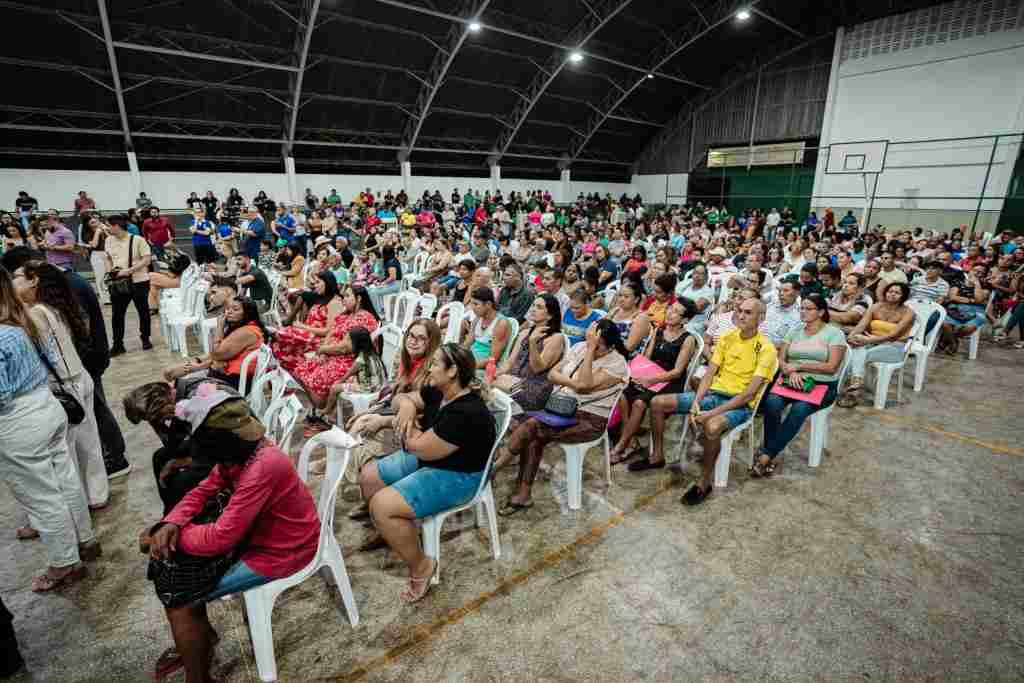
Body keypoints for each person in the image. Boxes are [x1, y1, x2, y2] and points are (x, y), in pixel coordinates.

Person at [143, 391, 319, 683]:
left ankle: (197, 673)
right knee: (169, 566)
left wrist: (169, 537)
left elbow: (221, 537)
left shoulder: (260, 463)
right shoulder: (235, 455)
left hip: (285, 550)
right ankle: (199, 640)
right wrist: (170, 522)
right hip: (258, 535)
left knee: (179, 596)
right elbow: (203, 490)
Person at [358, 343, 497, 602]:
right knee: (369, 476)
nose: (428, 368)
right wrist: (408, 408)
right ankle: (392, 531)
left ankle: (421, 565)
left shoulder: (466, 412)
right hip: (434, 457)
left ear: (453, 370)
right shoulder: (438, 390)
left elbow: (419, 448)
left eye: (434, 363)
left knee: (381, 505)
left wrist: (392, 422)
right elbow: (400, 398)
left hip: (459, 475)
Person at [0, 265, 100, 593]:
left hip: (19, 419)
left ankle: (64, 562)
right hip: (45, 405)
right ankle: (84, 540)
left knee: (42, 495)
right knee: (65, 480)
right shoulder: (23, 321)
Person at [648, 297, 777, 505]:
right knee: (657, 403)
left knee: (712, 425)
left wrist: (710, 413)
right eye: (740, 310)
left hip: (740, 404)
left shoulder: (766, 349)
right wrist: (697, 403)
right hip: (712, 395)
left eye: (748, 312)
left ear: (761, 318)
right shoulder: (727, 337)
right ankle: (657, 456)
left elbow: (748, 395)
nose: (741, 315)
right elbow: (709, 375)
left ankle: (704, 482)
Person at [498, 318, 628, 515]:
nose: (589, 337)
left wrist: (590, 352)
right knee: (532, 430)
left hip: (590, 419)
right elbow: (552, 375)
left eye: (594, 336)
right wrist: (573, 383)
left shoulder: (617, 363)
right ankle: (519, 490)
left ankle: (496, 470)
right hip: (560, 409)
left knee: (533, 428)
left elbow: (584, 385)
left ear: (605, 342)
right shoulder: (579, 348)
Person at [13, 259, 109, 512]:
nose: (14, 282)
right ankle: (97, 494)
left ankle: (74, 503)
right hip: (79, 378)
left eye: (18, 277)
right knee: (89, 442)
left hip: (63, 386)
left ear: (34, 280)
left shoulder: (35, 313)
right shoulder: (54, 307)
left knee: (66, 452)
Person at [751, 294, 847, 477]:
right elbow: (781, 358)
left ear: (820, 312)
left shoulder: (834, 333)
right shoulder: (795, 330)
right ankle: (771, 452)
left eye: (808, 308)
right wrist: (791, 371)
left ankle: (767, 455)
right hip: (791, 380)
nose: (803, 312)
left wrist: (800, 366)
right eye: (801, 308)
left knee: (799, 408)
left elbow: (832, 366)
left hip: (822, 384)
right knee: (772, 403)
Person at [613, 300, 698, 469]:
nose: (670, 313)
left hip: (669, 381)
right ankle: (630, 439)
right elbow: (647, 357)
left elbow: (677, 372)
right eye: (670, 309)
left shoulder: (688, 339)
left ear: (685, 320)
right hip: (650, 374)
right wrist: (637, 373)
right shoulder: (659, 330)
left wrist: (650, 380)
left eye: (676, 312)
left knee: (639, 403)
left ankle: (620, 446)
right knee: (622, 393)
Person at [291, 285, 380, 408]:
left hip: (350, 360)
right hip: (332, 354)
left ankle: (322, 408)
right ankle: (321, 407)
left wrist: (323, 350)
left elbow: (346, 347)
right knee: (300, 371)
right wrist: (323, 352)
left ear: (359, 298)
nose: (343, 299)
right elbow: (331, 333)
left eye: (347, 296)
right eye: (343, 296)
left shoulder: (364, 318)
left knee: (315, 378)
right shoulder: (346, 315)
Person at [836, 282, 916, 408]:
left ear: (903, 296)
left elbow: (894, 335)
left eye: (897, 292)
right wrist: (853, 336)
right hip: (871, 342)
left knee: (862, 354)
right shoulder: (875, 307)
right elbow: (861, 325)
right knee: (855, 349)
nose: (892, 294)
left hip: (895, 346)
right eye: (890, 291)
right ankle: (855, 386)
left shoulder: (908, 312)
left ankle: (854, 388)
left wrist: (870, 340)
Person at [163, 296, 267, 392]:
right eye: (228, 309)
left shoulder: (247, 332)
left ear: (247, 314)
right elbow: (217, 356)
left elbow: (216, 353)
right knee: (169, 373)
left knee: (174, 388)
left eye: (235, 309)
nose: (229, 312)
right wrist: (198, 361)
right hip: (220, 371)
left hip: (232, 381)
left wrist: (219, 326)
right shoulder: (239, 327)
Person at [271, 271, 342, 372]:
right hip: (308, 335)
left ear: (327, 282)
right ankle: (287, 370)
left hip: (318, 339)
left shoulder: (335, 302)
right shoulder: (322, 299)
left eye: (318, 282)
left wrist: (302, 327)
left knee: (281, 336)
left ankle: (290, 370)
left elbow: (328, 331)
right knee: (278, 340)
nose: (315, 286)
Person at [105, 214, 153, 355]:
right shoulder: (108, 240)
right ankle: (118, 345)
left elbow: (146, 260)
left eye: (108, 225)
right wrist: (110, 271)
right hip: (118, 282)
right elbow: (107, 258)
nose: (106, 228)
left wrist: (129, 271)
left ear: (116, 226)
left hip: (139, 281)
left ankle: (145, 338)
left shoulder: (138, 240)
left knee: (143, 311)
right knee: (117, 314)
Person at [320, 325, 388, 423]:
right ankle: (335, 414)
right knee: (349, 382)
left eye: (348, 340)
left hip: (367, 389)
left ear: (357, 343)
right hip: (379, 387)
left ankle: (327, 410)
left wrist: (339, 383)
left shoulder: (360, 360)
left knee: (335, 388)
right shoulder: (372, 353)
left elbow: (346, 376)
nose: (346, 343)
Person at [940, 263, 990, 355]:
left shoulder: (985, 285)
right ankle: (953, 343)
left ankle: (950, 338)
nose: (977, 274)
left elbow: (979, 300)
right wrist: (971, 300)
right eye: (975, 271)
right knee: (945, 324)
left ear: (984, 275)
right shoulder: (958, 281)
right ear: (970, 271)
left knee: (969, 328)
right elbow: (953, 297)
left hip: (976, 310)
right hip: (955, 307)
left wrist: (977, 285)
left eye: (981, 273)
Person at [466, 286, 513, 371]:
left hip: (482, 368)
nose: (472, 308)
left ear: (488, 304)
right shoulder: (477, 319)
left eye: (476, 304)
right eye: (471, 304)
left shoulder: (501, 324)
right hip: (470, 360)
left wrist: (467, 367)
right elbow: (466, 345)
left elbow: (492, 359)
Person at [606, 280, 651, 358]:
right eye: (620, 295)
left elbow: (629, 347)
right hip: (606, 350)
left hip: (624, 357)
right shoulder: (615, 311)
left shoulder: (641, 317)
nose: (621, 299)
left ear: (636, 300)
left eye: (626, 297)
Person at [81, 215, 110, 305]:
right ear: (88, 225)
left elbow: (112, 239)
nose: (96, 223)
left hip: (108, 254)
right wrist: (97, 232)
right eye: (92, 222)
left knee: (110, 276)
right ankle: (105, 299)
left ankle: (113, 295)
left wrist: (106, 230)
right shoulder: (87, 234)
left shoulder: (104, 229)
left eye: (96, 221)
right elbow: (94, 245)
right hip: (97, 255)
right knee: (100, 276)